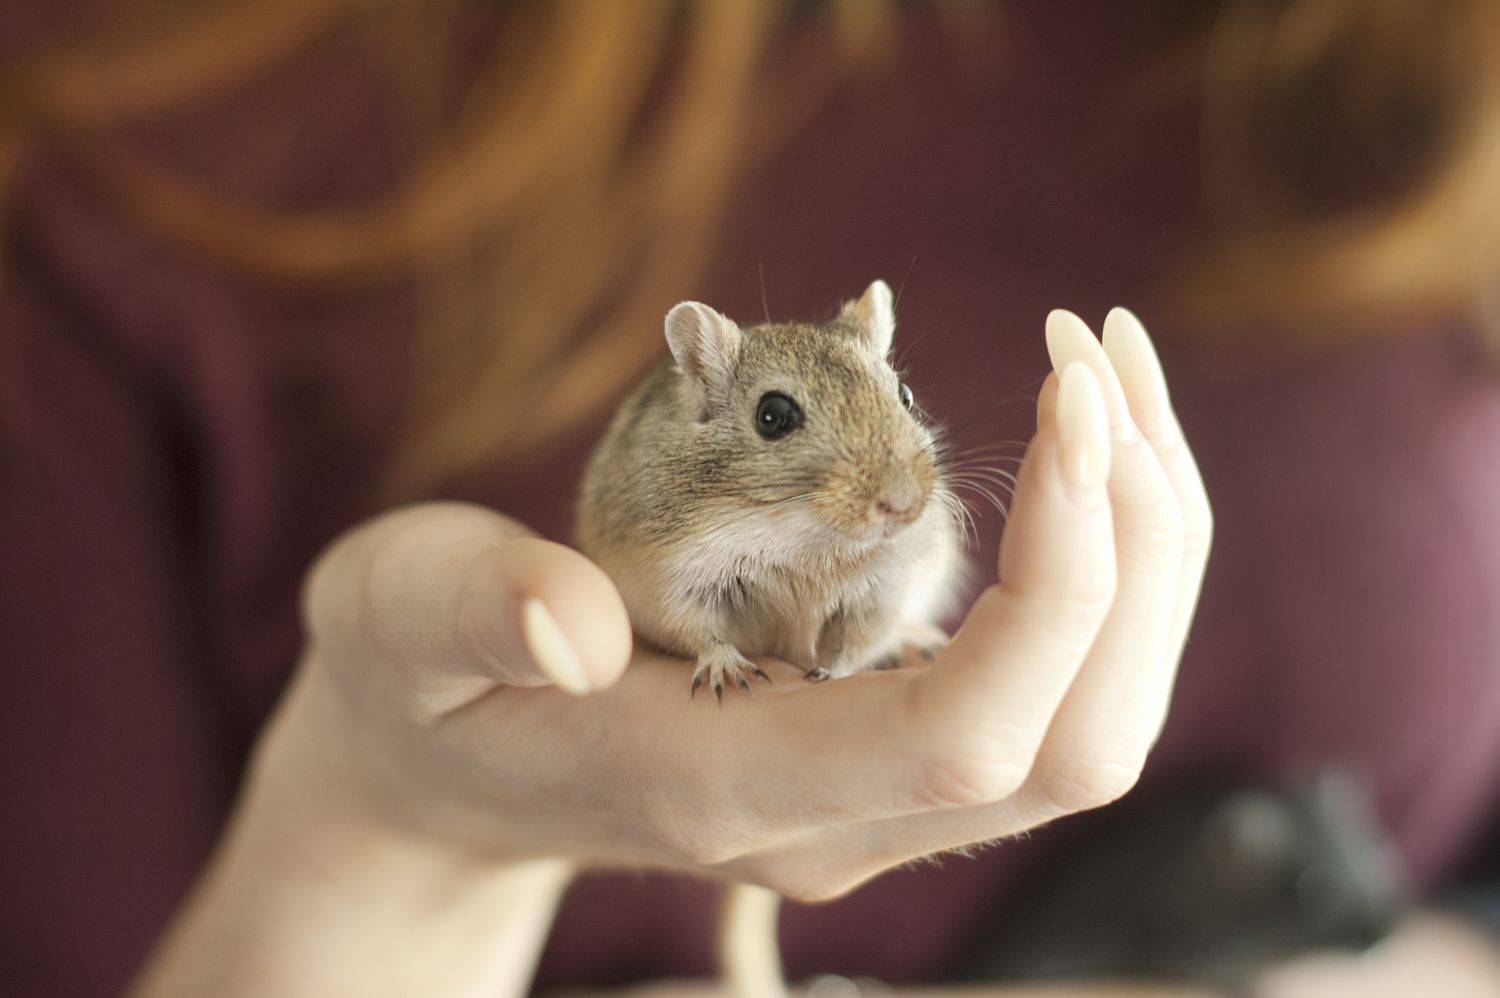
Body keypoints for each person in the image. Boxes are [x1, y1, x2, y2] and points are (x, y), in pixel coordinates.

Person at [2, 3, 1498, 996]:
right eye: (798, 428)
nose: (900, 475)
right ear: (703, 389)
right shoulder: (133, 113)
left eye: (901, 413)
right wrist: (388, 839)